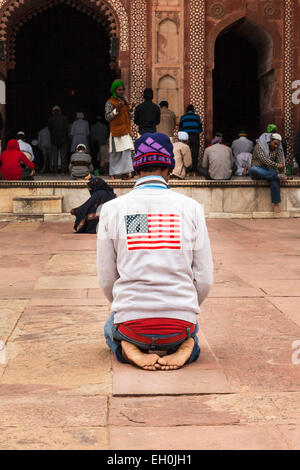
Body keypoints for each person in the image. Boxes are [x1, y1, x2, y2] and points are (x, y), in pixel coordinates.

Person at [98, 132, 214, 371]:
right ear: (169, 168)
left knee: (111, 326)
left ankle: (127, 346)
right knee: (189, 328)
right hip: (178, 325)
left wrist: (124, 305)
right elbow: (204, 279)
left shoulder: (113, 209)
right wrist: (186, 305)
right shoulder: (191, 208)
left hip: (132, 325)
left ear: (135, 167)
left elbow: (107, 278)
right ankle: (187, 344)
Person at [105, 79, 135, 180]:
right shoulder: (110, 102)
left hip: (126, 131)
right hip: (116, 132)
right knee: (115, 154)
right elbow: (107, 117)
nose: (121, 92)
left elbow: (130, 117)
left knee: (126, 153)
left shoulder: (125, 101)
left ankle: (126, 173)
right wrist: (116, 110)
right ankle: (113, 174)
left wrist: (130, 110)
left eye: (122, 90)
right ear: (114, 90)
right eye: (119, 90)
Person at [249, 133, 286, 213]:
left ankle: (276, 204)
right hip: (258, 171)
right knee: (253, 169)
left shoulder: (278, 148)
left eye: (278, 144)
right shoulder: (259, 146)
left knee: (273, 178)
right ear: (270, 141)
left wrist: (282, 173)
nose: (276, 146)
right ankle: (276, 176)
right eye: (275, 143)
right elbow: (264, 160)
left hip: (269, 172)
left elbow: (281, 162)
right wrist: (277, 167)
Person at [179, 105, 203, 176]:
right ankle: (195, 172)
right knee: (195, 154)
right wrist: (196, 132)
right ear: (193, 110)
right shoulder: (197, 117)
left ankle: (188, 172)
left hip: (186, 138)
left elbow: (180, 129)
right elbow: (200, 129)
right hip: (195, 137)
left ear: (186, 110)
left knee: (186, 154)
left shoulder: (183, 117)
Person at [48, 105, 70, 174]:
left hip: (54, 140)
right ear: (60, 111)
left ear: (53, 112)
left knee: (55, 156)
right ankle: (63, 171)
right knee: (63, 156)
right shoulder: (65, 118)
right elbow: (67, 129)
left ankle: (56, 171)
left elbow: (50, 129)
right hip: (63, 140)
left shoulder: (50, 119)